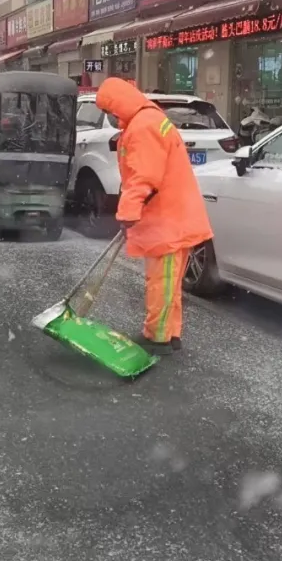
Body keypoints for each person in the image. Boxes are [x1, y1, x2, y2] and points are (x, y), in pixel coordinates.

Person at [94, 77, 213, 355]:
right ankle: (169, 333)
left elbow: (146, 177)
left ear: (119, 104)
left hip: (168, 220)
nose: (112, 117)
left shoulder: (143, 126)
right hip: (171, 217)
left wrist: (128, 211)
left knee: (161, 281)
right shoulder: (146, 120)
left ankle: (157, 337)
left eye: (111, 110)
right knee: (168, 282)